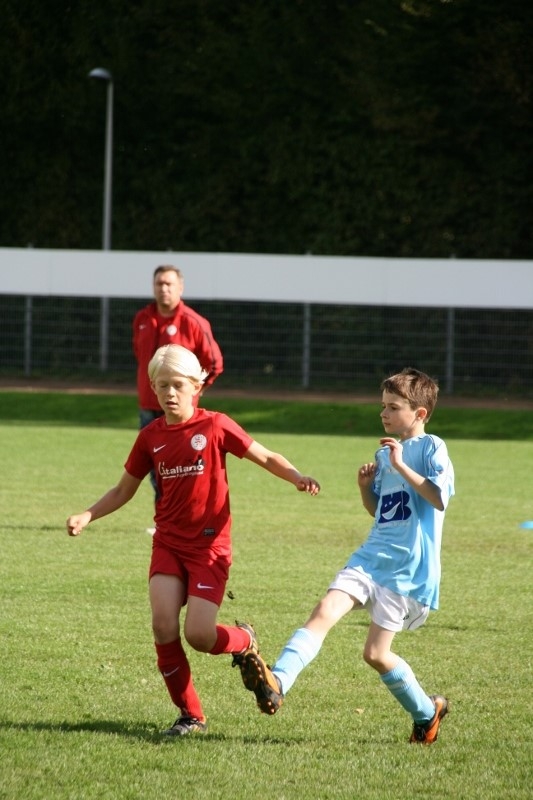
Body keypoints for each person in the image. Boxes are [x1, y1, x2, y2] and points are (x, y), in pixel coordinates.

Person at [66, 344, 320, 737]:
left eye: (178, 385)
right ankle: (190, 715)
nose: (169, 393)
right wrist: (88, 514)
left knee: (199, 635)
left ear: (196, 386)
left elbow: (265, 456)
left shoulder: (216, 426)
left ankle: (244, 640)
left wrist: (296, 476)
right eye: (162, 385)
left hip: (209, 547)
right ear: (153, 387)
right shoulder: (150, 437)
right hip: (168, 544)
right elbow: (122, 490)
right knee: (163, 625)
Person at [237, 367, 455, 745]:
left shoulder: (431, 447)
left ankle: (426, 712)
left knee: (376, 654)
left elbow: (438, 498)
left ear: (419, 413)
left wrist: (401, 465)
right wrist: (365, 488)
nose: (384, 413)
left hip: (406, 568)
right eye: (382, 406)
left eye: (393, 407)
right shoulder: (384, 453)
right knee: (325, 610)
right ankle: (277, 682)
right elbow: (380, 512)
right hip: (370, 556)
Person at [133, 265, 224, 502]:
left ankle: (182, 515)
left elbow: (214, 363)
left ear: (180, 287)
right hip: (148, 406)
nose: (164, 288)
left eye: (169, 284)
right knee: (154, 469)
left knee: (180, 469)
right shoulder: (142, 318)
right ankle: (165, 515)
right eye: (159, 283)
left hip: (181, 412)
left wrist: (195, 390)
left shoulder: (193, 322)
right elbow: (141, 358)